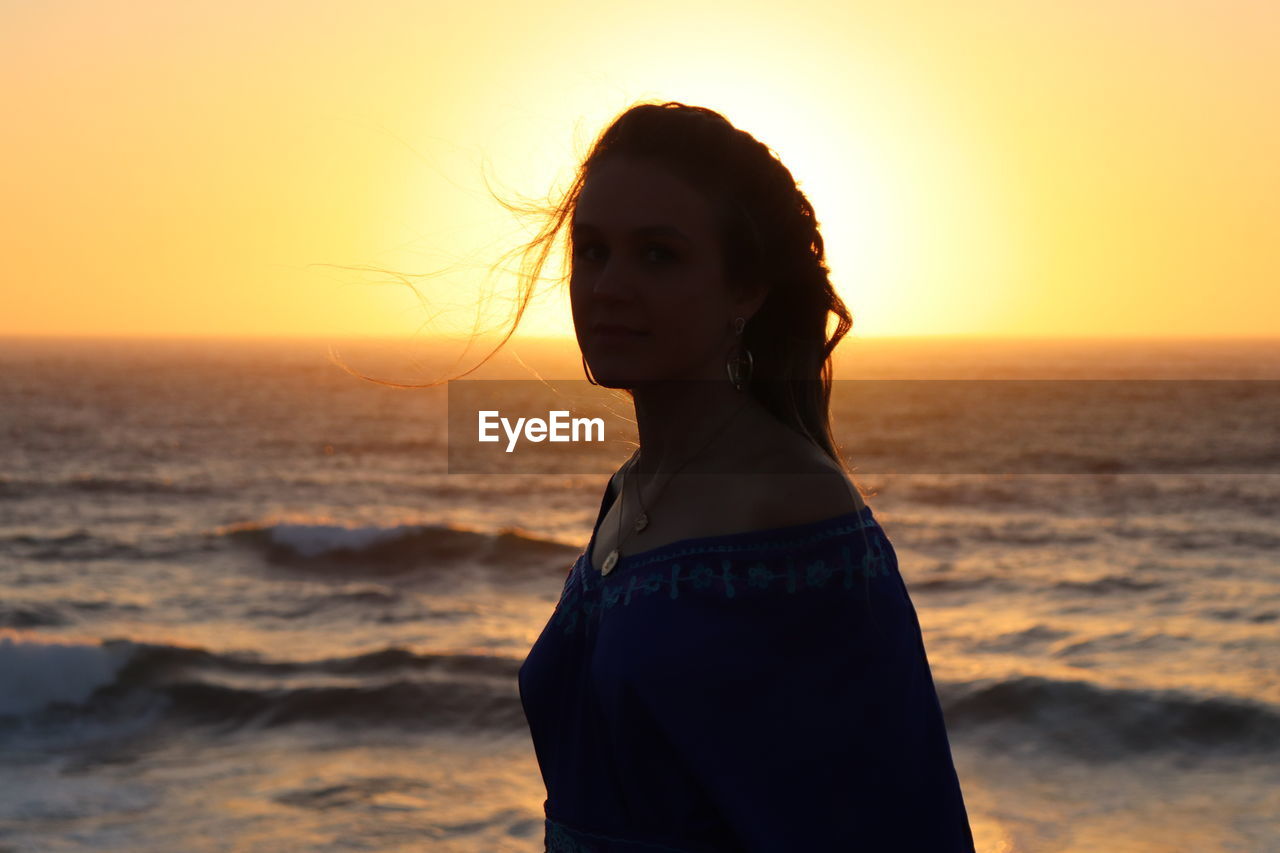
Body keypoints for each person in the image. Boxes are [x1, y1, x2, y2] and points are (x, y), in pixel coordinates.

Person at [516, 102, 975, 852]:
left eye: (657, 254)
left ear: (745, 289)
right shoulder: (633, 487)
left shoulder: (791, 504)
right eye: (592, 251)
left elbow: (888, 809)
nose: (608, 286)